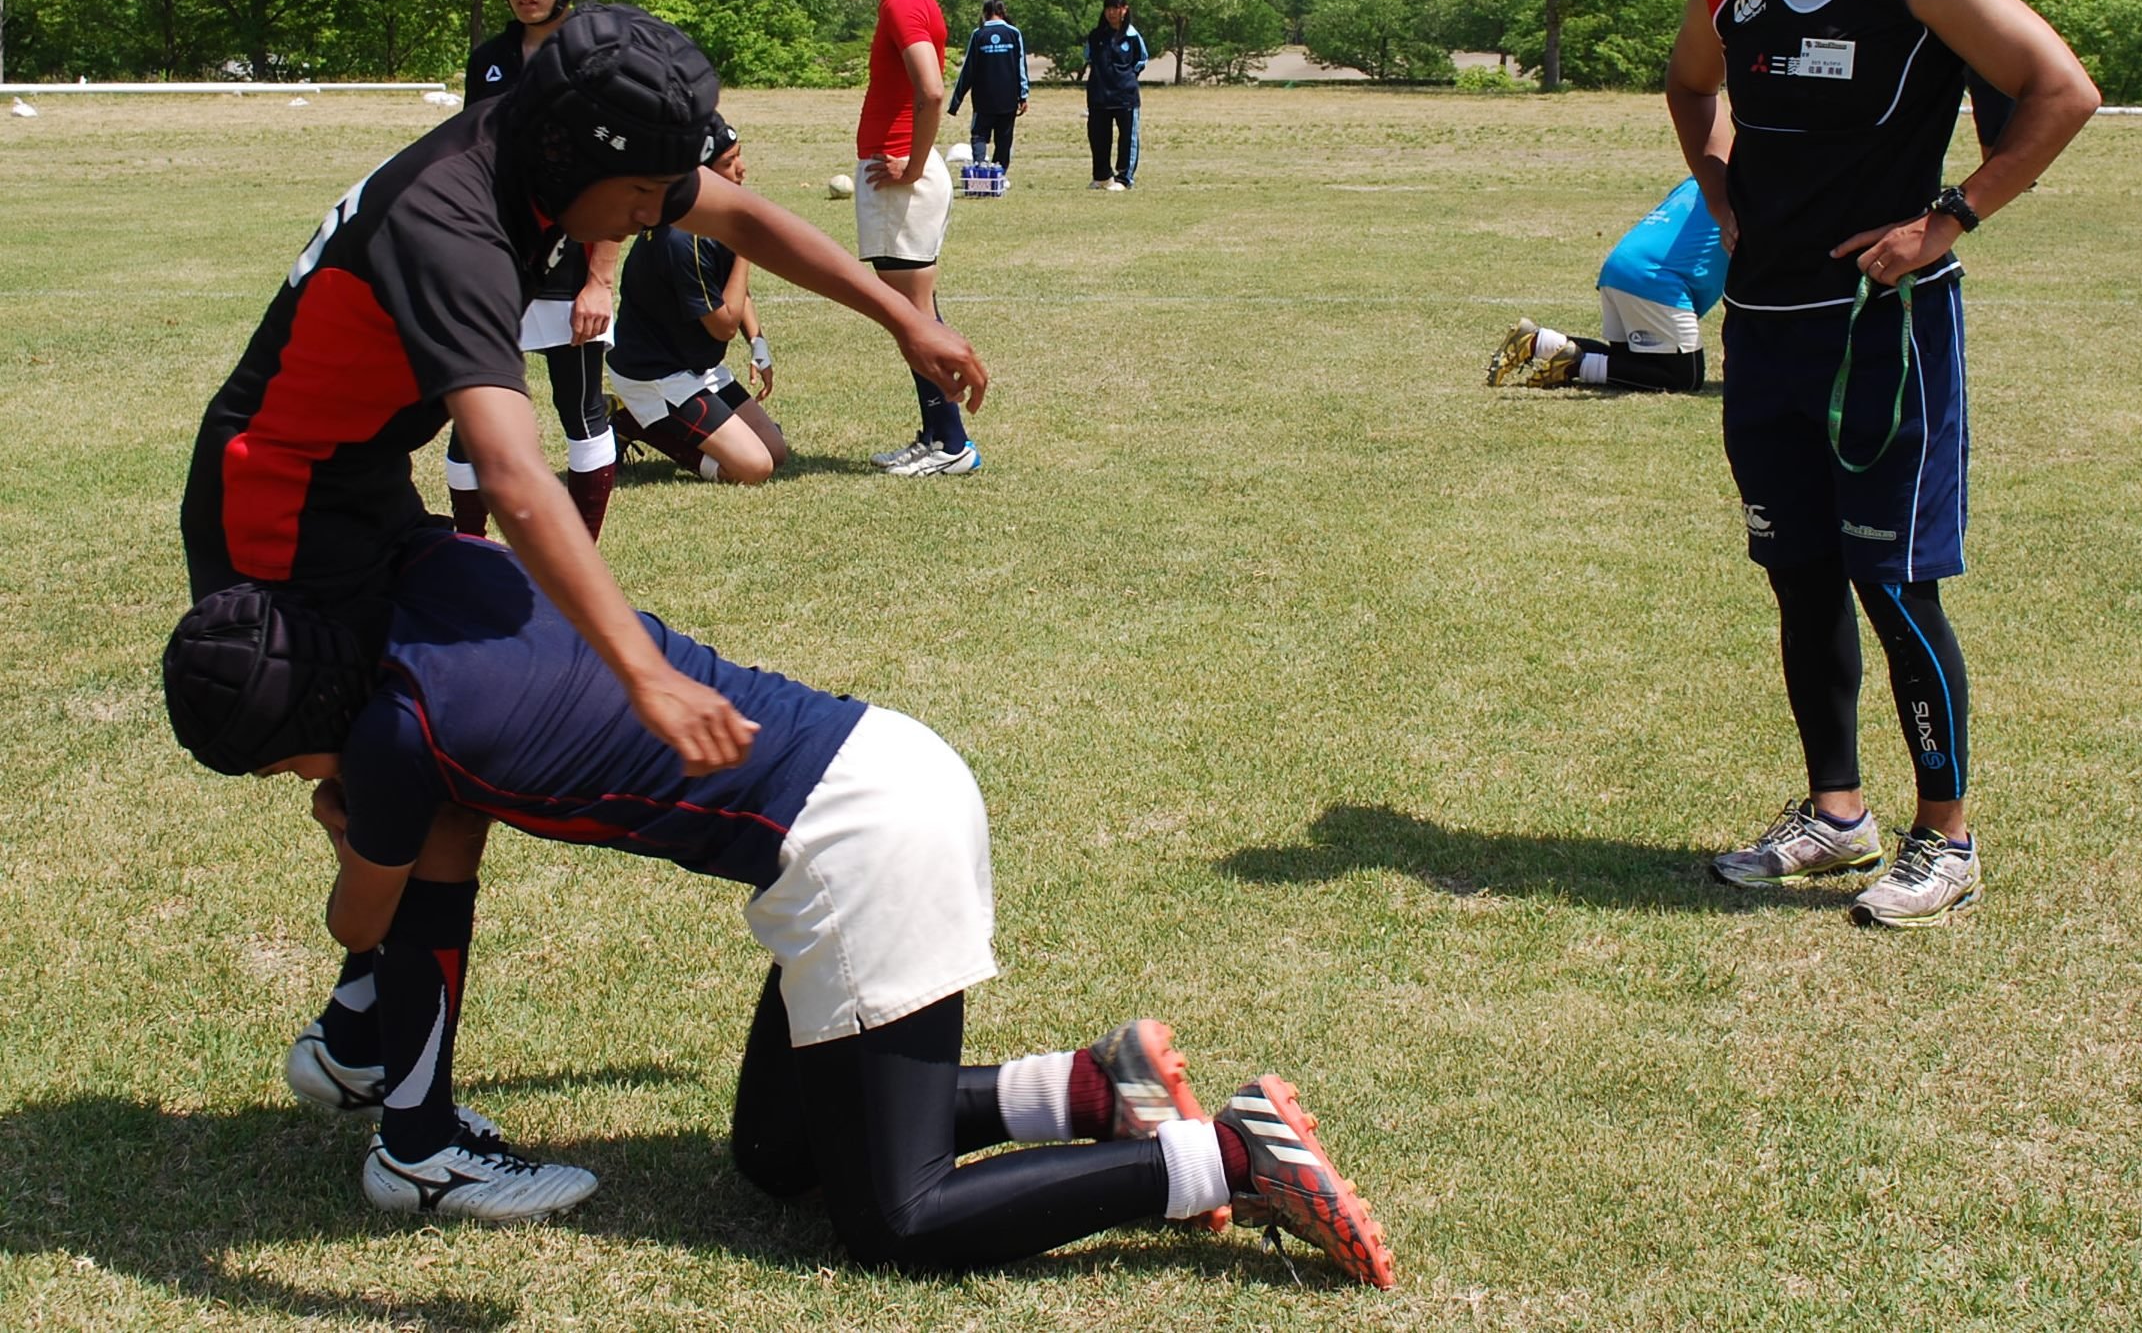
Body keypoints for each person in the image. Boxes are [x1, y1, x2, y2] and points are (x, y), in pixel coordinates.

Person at [158, 537, 1397, 1289]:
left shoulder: (387, 747)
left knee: (896, 1225)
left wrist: (342, 822)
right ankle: (1079, 1090)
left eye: (281, 773)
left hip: (859, 844)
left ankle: (1219, 1158)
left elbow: (356, 925)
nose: (298, 788)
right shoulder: (439, 573)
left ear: (302, 735)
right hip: (868, 775)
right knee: (774, 1157)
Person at [179, 3, 989, 1106]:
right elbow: (514, 476)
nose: (660, 217)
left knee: (432, 779)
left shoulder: (561, 144)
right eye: (648, 198)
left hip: (358, 486)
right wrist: (640, 674)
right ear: (577, 158)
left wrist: (899, 319)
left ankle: (369, 1030)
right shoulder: (451, 222)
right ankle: (405, 1110)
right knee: (412, 778)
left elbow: (741, 217)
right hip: (276, 519)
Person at [1665, 0, 2097, 927]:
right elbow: (1689, 83)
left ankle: (1944, 838)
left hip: (1882, 330)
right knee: (1796, 575)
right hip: (1763, 327)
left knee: (1892, 583)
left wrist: (1946, 218)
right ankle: (1834, 813)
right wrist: (1713, 182)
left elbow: (2062, 92)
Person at [451, 0, 622, 540]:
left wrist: (599, 280)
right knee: (476, 417)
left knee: (579, 410)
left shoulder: (596, 56)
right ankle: (467, 552)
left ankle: (583, 560)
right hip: (491, 261)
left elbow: (614, 177)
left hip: (570, 263)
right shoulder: (489, 59)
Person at [822, 0, 978, 477]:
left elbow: (932, 91)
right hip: (900, 178)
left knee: (911, 317)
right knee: (916, 314)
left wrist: (910, 168)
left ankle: (952, 442)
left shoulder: (901, 4)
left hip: (901, 183)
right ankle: (939, 434)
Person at [607, 115, 791, 484]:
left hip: (697, 369)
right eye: (728, 163)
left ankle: (645, 418)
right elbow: (722, 325)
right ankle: (632, 420)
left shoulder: (709, 219)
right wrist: (745, 248)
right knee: (753, 469)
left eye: (740, 156)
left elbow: (732, 294)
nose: (742, 169)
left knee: (775, 450)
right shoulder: (681, 238)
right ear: (698, 176)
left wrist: (757, 341)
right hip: (657, 375)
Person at [1484, 177, 1726, 392]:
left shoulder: (1700, 177)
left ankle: (1537, 341)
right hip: (1655, 280)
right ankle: (1577, 365)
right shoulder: (1747, 185)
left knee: (1632, 363)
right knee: (1684, 377)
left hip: (1620, 267)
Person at [947, 0, 1029, 173]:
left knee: (979, 135)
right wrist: (1023, 96)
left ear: (985, 12)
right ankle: (999, 174)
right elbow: (1020, 66)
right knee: (1004, 139)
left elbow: (968, 70)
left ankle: (980, 171)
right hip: (1008, 98)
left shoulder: (979, 34)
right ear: (1002, 11)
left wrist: (955, 102)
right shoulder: (1014, 33)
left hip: (983, 99)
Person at [1081, 0, 1149, 191]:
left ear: (1125, 9)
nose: (1112, 12)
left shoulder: (1132, 36)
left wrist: (1125, 78)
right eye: (1108, 8)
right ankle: (1102, 176)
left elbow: (1141, 60)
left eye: (1116, 8)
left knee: (1128, 137)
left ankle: (1124, 178)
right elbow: (1089, 57)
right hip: (1099, 94)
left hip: (1125, 95)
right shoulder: (1096, 35)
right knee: (1098, 136)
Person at [1966, 0, 2023, 157]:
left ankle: (2016, 172)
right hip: (1985, 74)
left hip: (2014, 73)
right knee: (1990, 124)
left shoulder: (2018, 7)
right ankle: (1990, 167)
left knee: (2015, 125)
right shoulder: (1980, 5)